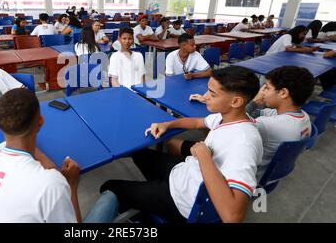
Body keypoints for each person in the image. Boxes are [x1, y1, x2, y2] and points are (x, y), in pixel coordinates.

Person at [100, 66, 262, 223]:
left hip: (183, 200)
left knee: (110, 187)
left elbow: (232, 217)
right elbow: (197, 122)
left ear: (236, 101)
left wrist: (204, 157)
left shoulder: (244, 143)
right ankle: (151, 194)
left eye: (212, 94)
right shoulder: (226, 116)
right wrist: (167, 124)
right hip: (184, 173)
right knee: (140, 153)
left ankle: (145, 215)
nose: (205, 96)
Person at [0, 88, 119, 223]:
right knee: (111, 197)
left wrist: (53, 170)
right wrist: (70, 183)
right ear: (40, 121)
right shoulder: (51, 184)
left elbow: (31, 149)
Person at [246, 66, 313, 180]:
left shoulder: (266, 125)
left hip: (252, 178)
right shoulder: (304, 117)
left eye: (267, 88)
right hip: (272, 174)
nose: (263, 92)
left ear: (283, 92)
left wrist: (255, 101)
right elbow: (261, 113)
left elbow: (231, 122)